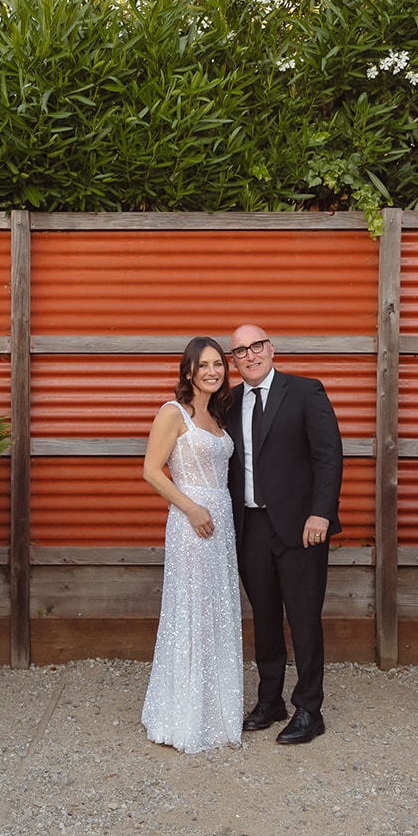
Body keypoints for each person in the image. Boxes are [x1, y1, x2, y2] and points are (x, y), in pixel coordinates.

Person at [224, 323, 343, 745]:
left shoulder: (306, 391)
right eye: (240, 351)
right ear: (233, 361)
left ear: (271, 349)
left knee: (304, 617)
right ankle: (269, 700)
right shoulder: (230, 401)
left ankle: (309, 709)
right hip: (251, 526)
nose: (250, 355)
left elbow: (329, 457)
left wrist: (321, 514)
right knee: (266, 617)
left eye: (256, 346)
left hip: (302, 527)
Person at [140, 336, 245, 753]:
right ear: (188, 371)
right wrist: (192, 509)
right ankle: (181, 714)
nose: (212, 371)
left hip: (222, 526)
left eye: (218, 364)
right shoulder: (174, 412)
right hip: (191, 524)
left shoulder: (219, 416)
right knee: (191, 612)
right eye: (203, 365)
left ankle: (215, 711)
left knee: (217, 611)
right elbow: (151, 470)